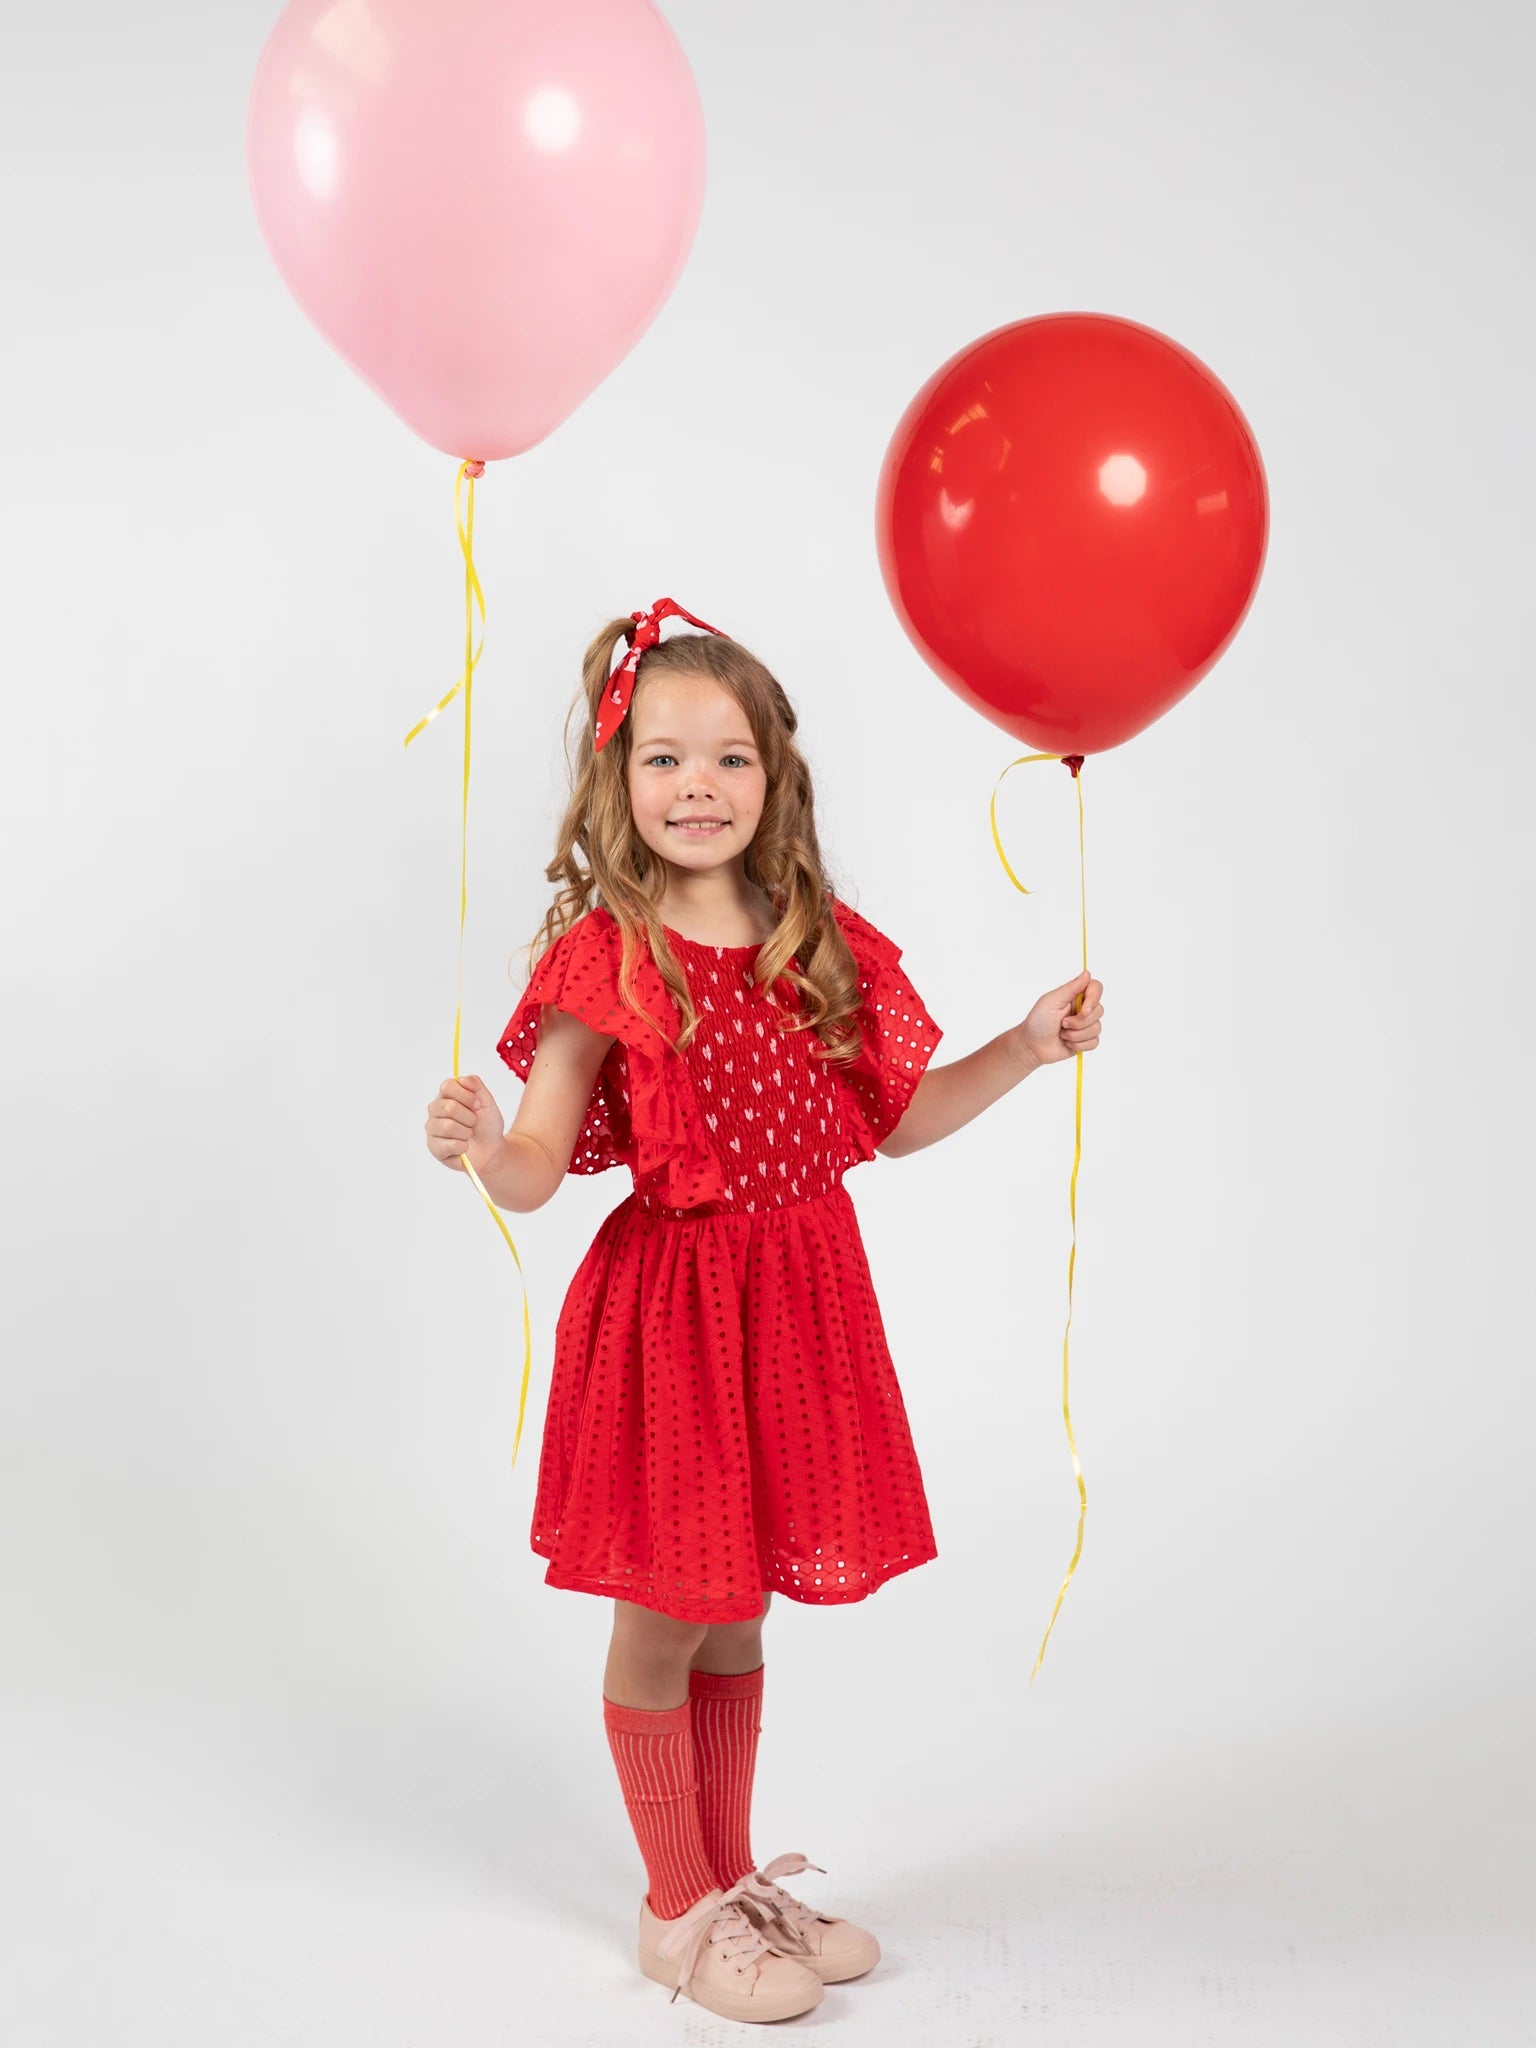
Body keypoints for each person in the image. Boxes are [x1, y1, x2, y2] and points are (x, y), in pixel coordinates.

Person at [423, 599, 1105, 2023]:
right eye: (663, 759)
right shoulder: (602, 960)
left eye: (729, 758)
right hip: (676, 1320)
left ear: (775, 773)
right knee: (672, 1612)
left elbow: (898, 1122)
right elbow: (539, 1168)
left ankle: (727, 1876)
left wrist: (1028, 1046)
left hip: (797, 1307)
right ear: (615, 780)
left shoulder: (813, 940)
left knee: (738, 1613)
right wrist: (486, 1145)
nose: (698, 787)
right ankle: (675, 1911)